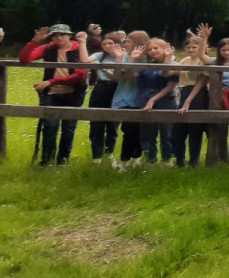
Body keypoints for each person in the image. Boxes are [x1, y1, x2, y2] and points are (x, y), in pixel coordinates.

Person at [19, 24, 88, 166]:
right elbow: (24, 59)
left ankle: (63, 161)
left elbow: (80, 75)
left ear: (69, 35)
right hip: (51, 93)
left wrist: (51, 81)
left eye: (62, 34)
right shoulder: (48, 48)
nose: (59, 37)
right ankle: (47, 161)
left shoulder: (78, 49)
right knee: (50, 127)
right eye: (55, 35)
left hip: (73, 93)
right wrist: (35, 41)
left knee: (68, 128)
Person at [77, 30, 123, 163]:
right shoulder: (99, 55)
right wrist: (82, 42)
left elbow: (117, 78)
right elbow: (84, 60)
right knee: (96, 123)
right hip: (100, 89)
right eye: (104, 44)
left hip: (116, 89)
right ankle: (96, 157)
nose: (107, 46)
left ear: (117, 44)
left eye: (110, 43)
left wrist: (102, 68)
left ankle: (110, 154)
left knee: (113, 125)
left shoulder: (124, 56)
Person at [136, 38, 178, 164]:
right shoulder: (148, 65)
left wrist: (153, 100)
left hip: (166, 100)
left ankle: (167, 160)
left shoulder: (174, 64)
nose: (153, 51)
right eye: (150, 50)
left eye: (156, 48)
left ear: (164, 48)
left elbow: (169, 85)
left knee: (167, 132)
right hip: (145, 99)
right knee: (147, 132)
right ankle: (150, 159)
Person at [173, 32, 211, 167]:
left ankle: (194, 162)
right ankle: (179, 161)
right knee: (178, 131)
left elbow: (201, 82)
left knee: (195, 130)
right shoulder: (185, 60)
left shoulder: (204, 61)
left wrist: (188, 102)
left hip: (198, 95)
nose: (191, 49)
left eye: (194, 47)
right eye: (188, 47)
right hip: (183, 92)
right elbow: (171, 72)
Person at [113, 31, 149, 169]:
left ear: (137, 43)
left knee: (140, 131)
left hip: (142, 99)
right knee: (129, 130)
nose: (125, 43)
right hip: (125, 98)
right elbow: (118, 76)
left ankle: (136, 158)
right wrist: (120, 59)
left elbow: (133, 75)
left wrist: (132, 60)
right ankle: (124, 160)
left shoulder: (147, 59)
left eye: (128, 41)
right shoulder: (124, 56)